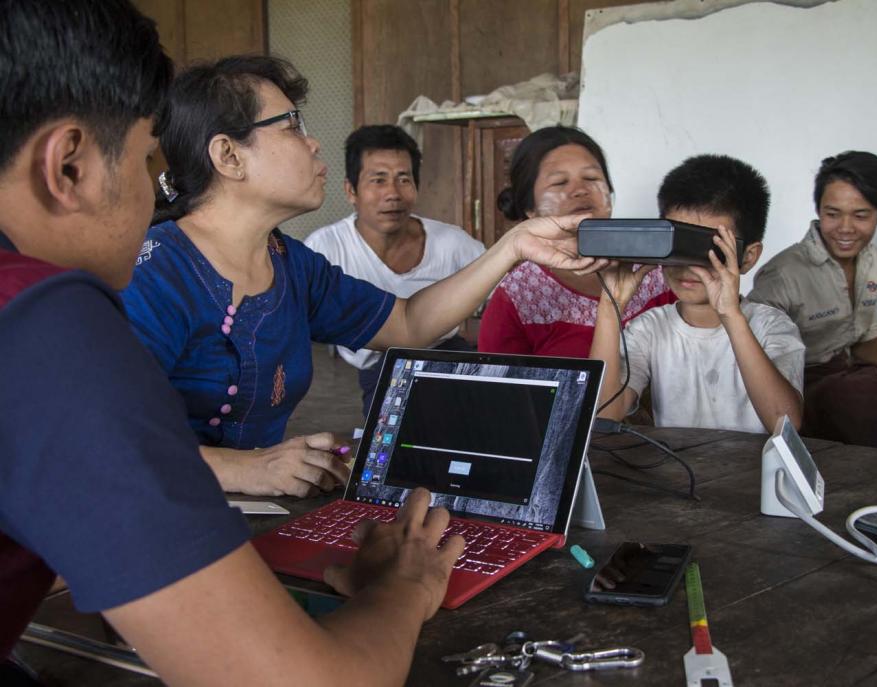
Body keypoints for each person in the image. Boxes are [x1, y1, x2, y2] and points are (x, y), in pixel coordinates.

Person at [0, 2, 463, 685]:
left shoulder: (291, 264)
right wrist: (405, 584)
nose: (158, 192)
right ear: (68, 166)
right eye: (142, 158)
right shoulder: (44, 325)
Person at [121, 58, 601, 498]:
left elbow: (409, 322)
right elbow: (101, 438)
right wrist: (242, 469)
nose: (312, 143)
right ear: (228, 156)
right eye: (292, 127)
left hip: (253, 511)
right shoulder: (154, 274)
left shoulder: (291, 264)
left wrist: (512, 246)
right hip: (155, 516)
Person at [590, 154, 804, 433]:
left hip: (754, 472)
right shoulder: (651, 329)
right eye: (676, 244)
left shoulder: (772, 327)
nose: (688, 266)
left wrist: (731, 316)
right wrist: (610, 307)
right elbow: (606, 413)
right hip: (681, 473)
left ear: (748, 257)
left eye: (707, 249)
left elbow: (785, 425)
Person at [304, 125, 484, 416]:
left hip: (449, 354)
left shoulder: (452, 242)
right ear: (351, 190)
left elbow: (504, 294)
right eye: (378, 180)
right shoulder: (325, 247)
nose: (393, 194)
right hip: (380, 367)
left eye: (404, 179)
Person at [748, 151, 877, 451]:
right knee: (866, 402)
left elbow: (864, 340)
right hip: (802, 385)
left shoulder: (872, 260)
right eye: (833, 213)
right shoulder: (784, 273)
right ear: (818, 209)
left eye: (861, 215)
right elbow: (750, 357)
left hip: (852, 372)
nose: (845, 228)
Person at [478, 126, 675, 358]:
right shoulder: (517, 297)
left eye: (592, 178)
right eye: (560, 183)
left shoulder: (657, 271)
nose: (580, 190)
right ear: (529, 208)